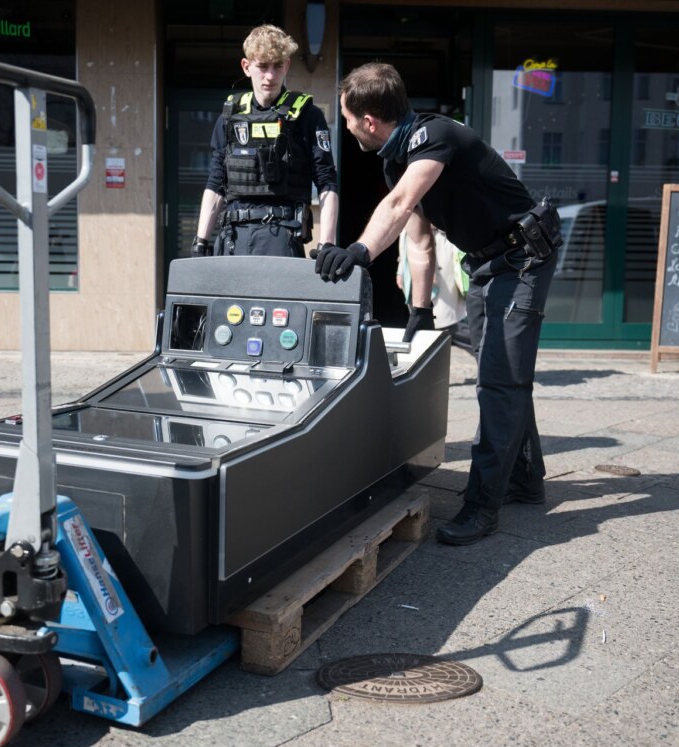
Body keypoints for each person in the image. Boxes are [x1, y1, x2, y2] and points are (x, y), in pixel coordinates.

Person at [315, 62, 560, 546]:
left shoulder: (436, 136)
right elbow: (420, 239)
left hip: (524, 257)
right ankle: (525, 478)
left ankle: (483, 506)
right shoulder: (395, 160)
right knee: (503, 373)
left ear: (369, 120)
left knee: (500, 381)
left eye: (346, 118)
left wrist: (359, 252)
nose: (346, 126)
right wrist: (420, 309)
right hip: (487, 263)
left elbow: (399, 204)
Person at [192, 24, 338, 259]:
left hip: (282, 237)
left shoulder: (307, 116)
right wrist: (201, 242)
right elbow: (216, 183)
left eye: (277, 66)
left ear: (286, 66)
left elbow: (327, 180)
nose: (270, 76)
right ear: (246, 66)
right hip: (233, 239)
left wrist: (327, 244)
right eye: (262, 66)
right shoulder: (229, 117)